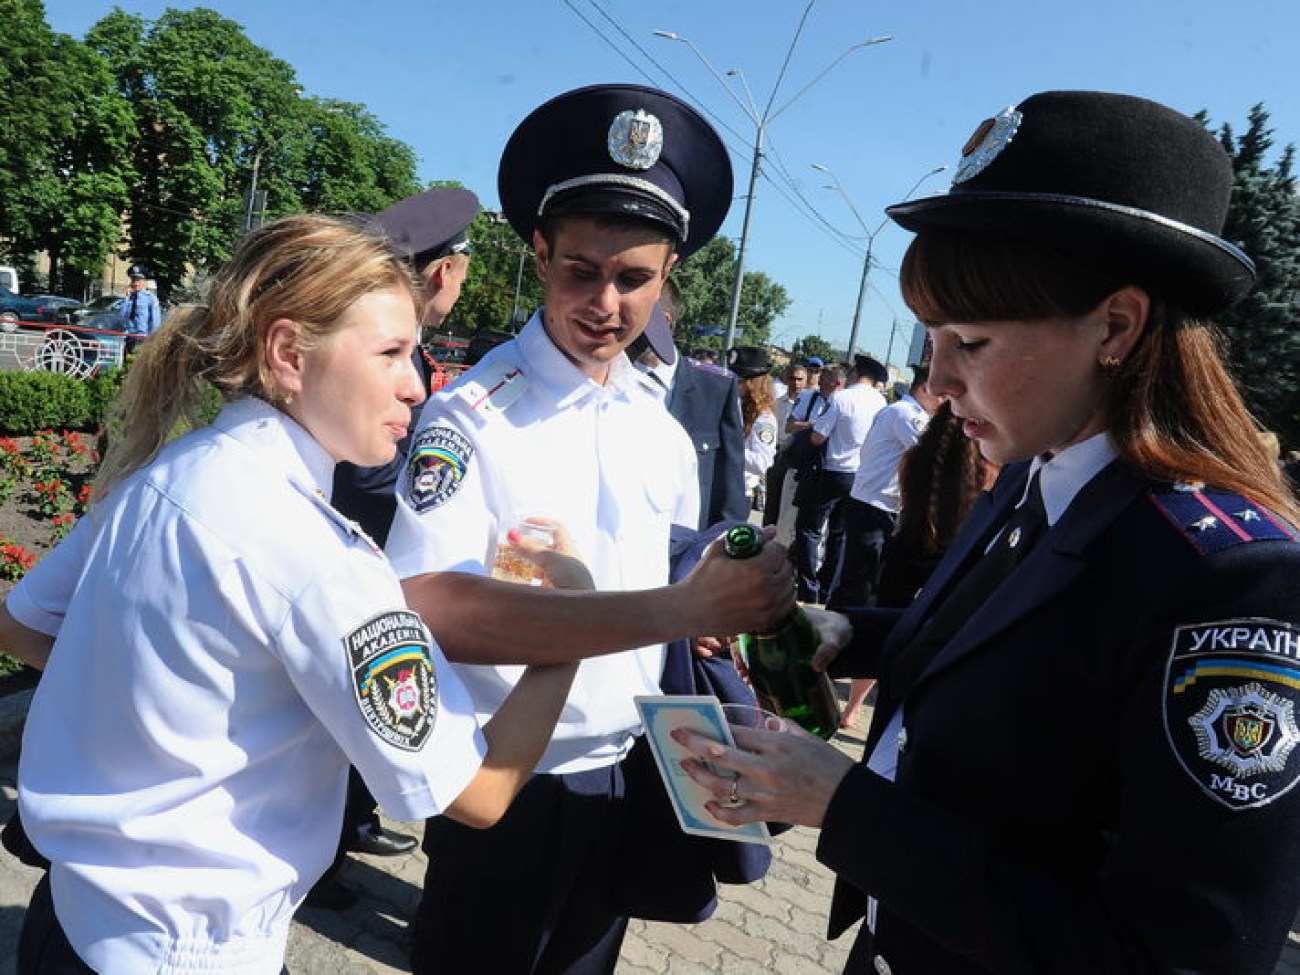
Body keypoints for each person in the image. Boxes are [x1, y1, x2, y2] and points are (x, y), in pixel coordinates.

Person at [673, 90, 1300, 974]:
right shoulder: (1037, 472)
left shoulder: (1226, 573)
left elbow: (1179, 953)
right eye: (932, 337)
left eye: (970, 341)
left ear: (1115, 326)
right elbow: (990, 644)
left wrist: (845, 801)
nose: (935, 379)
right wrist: (848, 631)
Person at [0, 214, 588, 975]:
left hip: (70, 923)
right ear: (288, 354)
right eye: (391, 353)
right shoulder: (320, 556)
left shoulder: (178, 468)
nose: (418, 383)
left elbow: (22, 622)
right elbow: (474, 794)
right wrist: (567, 630)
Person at [383, 83, 746, 975]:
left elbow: (667, 581)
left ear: (669, 277)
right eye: (581, 270)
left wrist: (709, 608)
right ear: (539, 253)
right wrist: (659, 609)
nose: (606, 303)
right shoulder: (471, 419)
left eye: (634, 279)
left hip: (627, 771)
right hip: (505, 789)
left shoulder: (658, 425)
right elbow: (422, 603)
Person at [323, 186, 481, 882]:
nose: (410, 393)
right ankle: (323, 857)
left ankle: (345, 826)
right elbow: (367, 479)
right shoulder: (390, 349)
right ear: (447, 272)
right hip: (358, 562)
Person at [827, 365, 943, 726]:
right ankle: (827, 655)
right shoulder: (904, 413)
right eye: (940, 394)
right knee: (858, 584)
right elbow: (932, 455)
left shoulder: (907, 412)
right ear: (925, 389)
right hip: (872, 506)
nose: (943, 402)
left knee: (868, 585)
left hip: (884, 508)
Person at [632, 277, 748, 528]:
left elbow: (730, 488)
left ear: (663, 322)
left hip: (686, 553)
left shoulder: (715, 389)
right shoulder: (606, 379)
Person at [873, 400, 994, 610]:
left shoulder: (913, 458)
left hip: (905, 555)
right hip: (958, 565)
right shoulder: (989, 470)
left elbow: (908, 506)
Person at [793, 354, 888, 603]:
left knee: (809, 530)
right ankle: (827, 588)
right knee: (839, 534)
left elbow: (818, 437)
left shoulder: (842, 398)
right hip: (858, 475)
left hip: (831, 471)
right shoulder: (881, 403)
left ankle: (808, 588)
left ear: (856, 373)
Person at [727, 345, 778, 511]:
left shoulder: (764, 418)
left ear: (753, 384)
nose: (734, 385)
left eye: (739, 381)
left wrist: (728, 449)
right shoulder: (735, 405)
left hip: (738, 492)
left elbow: (762, 462)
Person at [762, 361, 810, 527]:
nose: (796, 383)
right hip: (778, 455)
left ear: (806, 381)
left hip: (798, 459)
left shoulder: (810, 406)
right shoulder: (777, 403)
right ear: (786, 379)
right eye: (792, 378)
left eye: (800, 379)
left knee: (791, 507)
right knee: (772, 502)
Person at [117, 265, 161, 347]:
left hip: (143, 338)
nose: (136, 283)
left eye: (138, 280)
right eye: (133, 280)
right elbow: (121, 317)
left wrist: (152, 340)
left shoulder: (151, 299)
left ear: (144, 282)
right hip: (128, 337)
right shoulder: (129, 298)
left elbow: (155, 322)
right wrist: (126, 298)